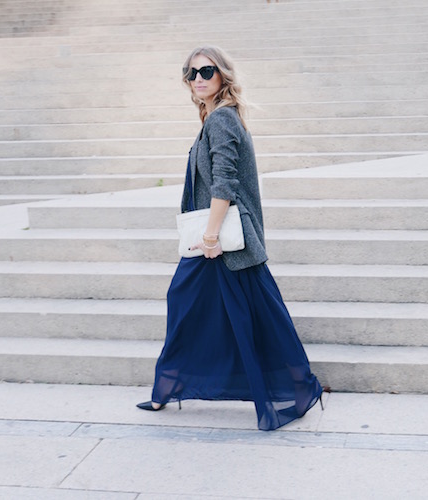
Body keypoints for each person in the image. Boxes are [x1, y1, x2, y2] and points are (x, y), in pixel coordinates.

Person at [137, 46, 327, 431]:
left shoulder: (221, 120)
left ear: (223, 74)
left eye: (207, 70)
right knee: (249, 312)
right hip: (229, 241)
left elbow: (224, 181)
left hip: (223, 241)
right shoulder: (217, 118)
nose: (199, 78)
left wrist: (210, 236)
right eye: (192, 74)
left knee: (205, 305)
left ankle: (170, 389)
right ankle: (168, 390)